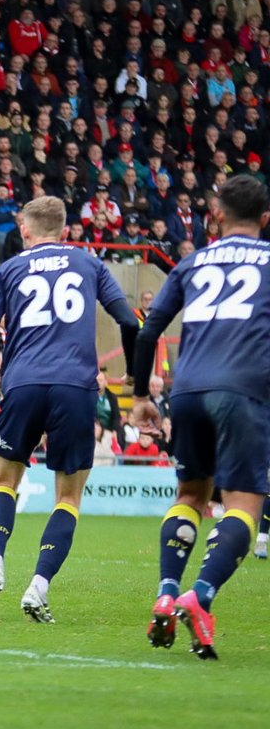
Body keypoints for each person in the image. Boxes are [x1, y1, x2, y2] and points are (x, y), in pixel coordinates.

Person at [0, 196, 138, 623]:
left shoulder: (9, 269)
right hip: (75, 387)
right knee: (68, 496)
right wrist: (136, 382)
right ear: (65, 230)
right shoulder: (88, 264)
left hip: (22, 384)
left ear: (24, 230)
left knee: (4, 481)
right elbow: (130, 322)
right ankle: (38, 587)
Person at [130, 175, 270, 660]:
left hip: (186, 390)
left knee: (190, 494)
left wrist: (138, 395)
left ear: (215, 214)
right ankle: (200, 595)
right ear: (266, 219)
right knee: (243, 505)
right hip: (244, 391)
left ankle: (167, 591)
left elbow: (148, 332)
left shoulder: (192, 261)